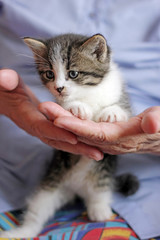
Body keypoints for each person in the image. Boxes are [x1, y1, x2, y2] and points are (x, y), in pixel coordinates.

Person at [0, 0, 160, 239]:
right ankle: (29, 227)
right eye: (49, 75)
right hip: (25, 160)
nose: (59, 86)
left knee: (100, 208)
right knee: (47, 192)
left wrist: (117, 112)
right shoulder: (64, 93)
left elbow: (119, 109)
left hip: (136, 176)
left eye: (72, 74)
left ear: (98, 54)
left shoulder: (111, 86)